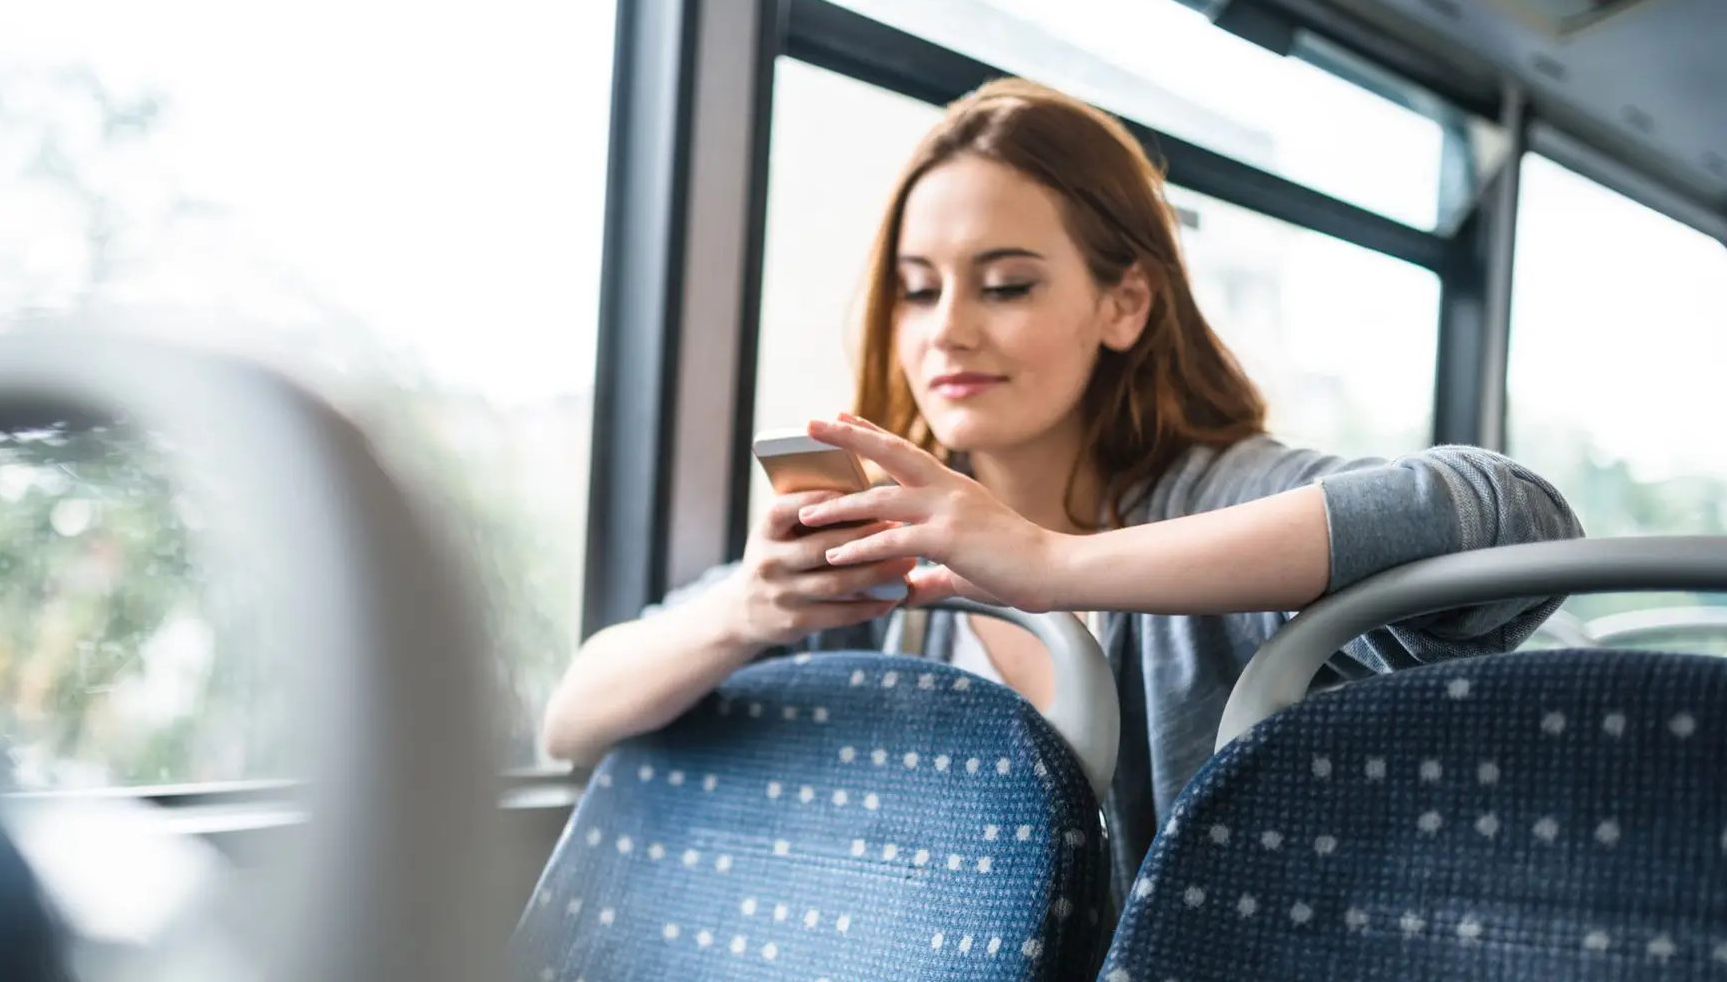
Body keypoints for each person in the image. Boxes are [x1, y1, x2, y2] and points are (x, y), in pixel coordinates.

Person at [541, 77, 1580, 881]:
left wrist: (1053, 564)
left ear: (1124, 306)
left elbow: (1514, 515)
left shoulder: (1214, 497)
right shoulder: (890, 548)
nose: (947, 329)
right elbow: (574, 717)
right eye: (917, 291)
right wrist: (746, 611)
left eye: (1005, 285)